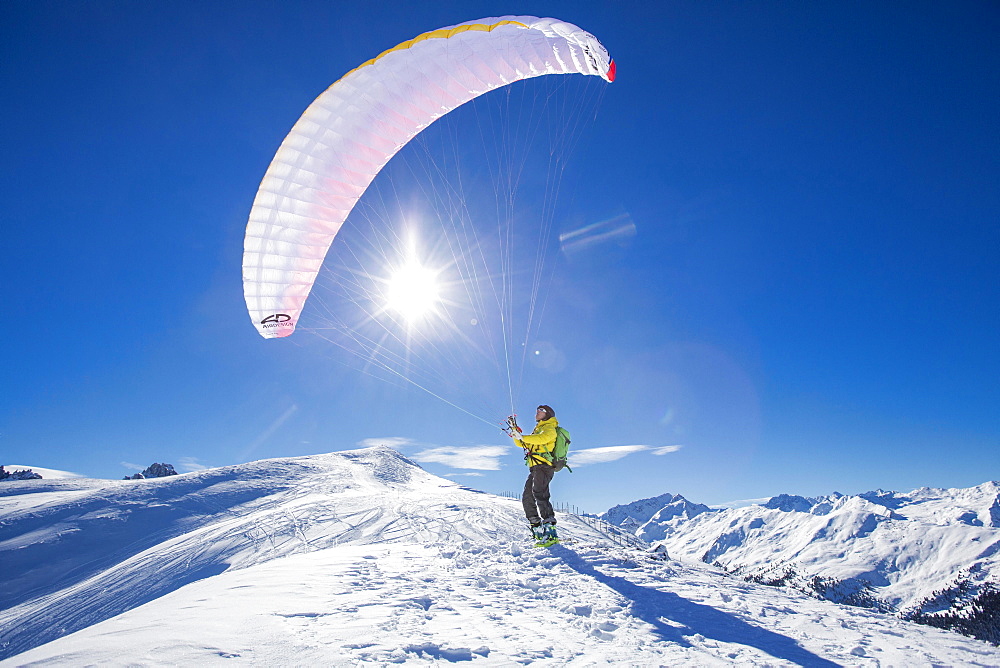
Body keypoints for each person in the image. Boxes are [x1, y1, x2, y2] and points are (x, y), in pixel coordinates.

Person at [511, 404, 560, 545]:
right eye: (537, 410)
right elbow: (523, 443)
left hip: (544, 466)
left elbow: (542, 439)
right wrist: (516, 433)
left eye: (541, 410)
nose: (538, 412)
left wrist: (523, 436)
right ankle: (537, 530)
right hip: (535, 468)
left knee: (540, 494)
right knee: (527, 497)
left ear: (548, 414)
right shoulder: (538, 429)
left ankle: (551, 533)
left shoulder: (550, 427)